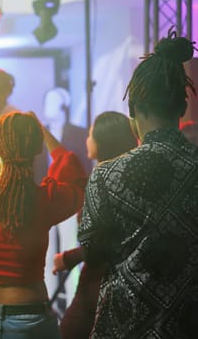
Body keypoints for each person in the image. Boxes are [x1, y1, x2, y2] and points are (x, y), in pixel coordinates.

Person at [78, 30, 198, 338]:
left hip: (125, 327)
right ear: (181, 108)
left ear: (133, 111)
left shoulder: (106, 175)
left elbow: (94, 254)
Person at [0, 111, 87, 338]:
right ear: (37, 150)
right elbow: (76, 180)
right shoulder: (46, 198)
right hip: (31, 320)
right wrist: (44, 133)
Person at [52, 111, 137, 339]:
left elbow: (99, 243)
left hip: (96, 283)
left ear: (103, 140)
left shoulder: (101, 179)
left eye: (90, 135)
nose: (86, 139)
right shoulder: (129, 179)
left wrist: (69, 258)